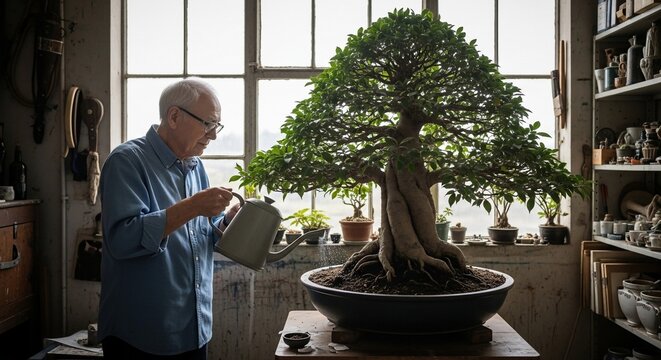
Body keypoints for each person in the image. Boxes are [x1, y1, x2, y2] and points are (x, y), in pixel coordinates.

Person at [98, 78, 239, 359]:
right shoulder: (126, 161)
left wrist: (224, 223)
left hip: (194, 327)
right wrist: (192, 207)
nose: (213, 135)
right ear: (174, 116)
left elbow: (200, 237)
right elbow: (122, 240)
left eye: (216, 126)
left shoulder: (196, 167)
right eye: (208, 124)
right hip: (141, 335)